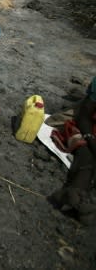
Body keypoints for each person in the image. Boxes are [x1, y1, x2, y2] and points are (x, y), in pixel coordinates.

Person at [48, 77, 96, 224]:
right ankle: (76, 193)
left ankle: (76, 195)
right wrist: (91, 140)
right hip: (91, 123)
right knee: (86, 152)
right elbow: (84, 116)